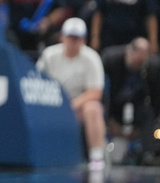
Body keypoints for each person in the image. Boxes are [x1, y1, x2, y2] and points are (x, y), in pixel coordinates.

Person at [36, 18, 107, 168]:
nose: (73, 41)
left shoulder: (92, 58)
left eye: (77, 38)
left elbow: (95, 92)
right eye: (70, 37)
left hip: (77, 107)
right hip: (52, 104)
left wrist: (71, 105)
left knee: (93, 108)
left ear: (84, 40)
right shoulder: (49, 55)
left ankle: (96, 157)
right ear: (62, 37)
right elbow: (37, 81)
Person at [101, 37, 160, 165]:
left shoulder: (154, 68)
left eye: (141, 63)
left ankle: (148, 154)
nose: (137, 66)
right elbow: (102, 95)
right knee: (99, 109)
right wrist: (110, 123)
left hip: (138, 102)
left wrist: (140, 129)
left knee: (147, 113)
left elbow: (156, 101)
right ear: (128, 52)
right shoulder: (110, 60)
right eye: (135, 63)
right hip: (114, 102)